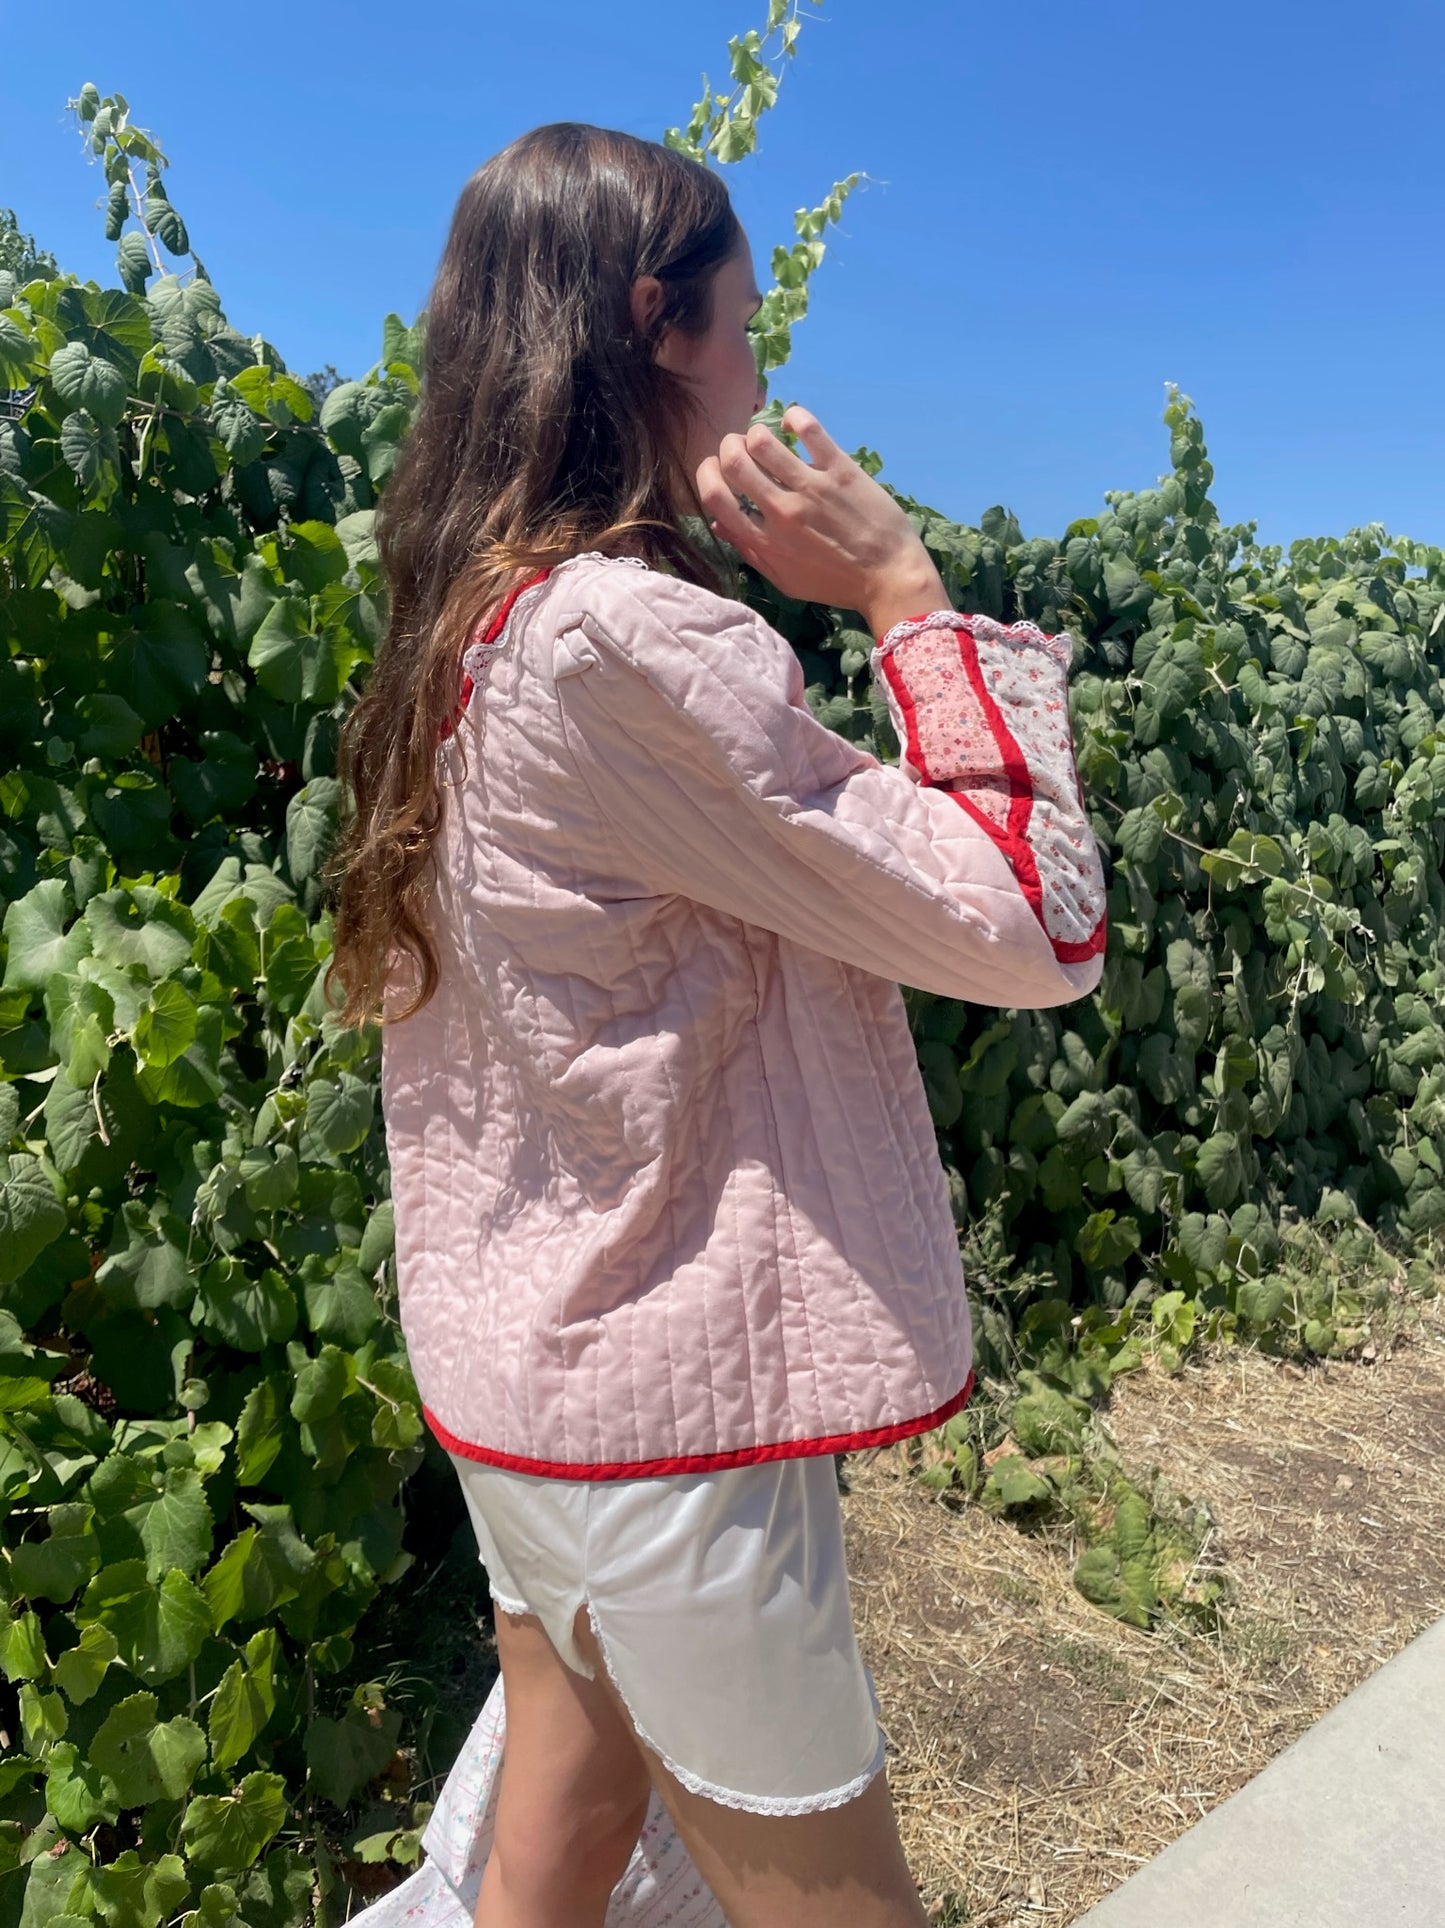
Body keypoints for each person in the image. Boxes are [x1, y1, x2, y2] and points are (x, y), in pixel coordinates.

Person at [324, 121, 1106, 1928]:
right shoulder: (621, 640)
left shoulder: (465, 630)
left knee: (556, 1846)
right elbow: (1028, 922)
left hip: (529, 1394)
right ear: (655, 321)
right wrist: (905, 600)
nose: (766, 373)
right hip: (663, 1427)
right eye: (748, 329)